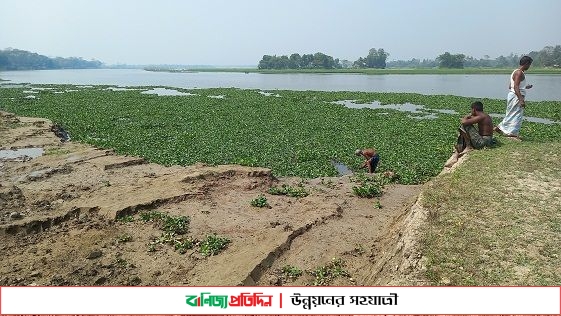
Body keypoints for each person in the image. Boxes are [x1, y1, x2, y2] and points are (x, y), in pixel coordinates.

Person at [494, 56, 533, 140]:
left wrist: (525, 87)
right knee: (517, 115)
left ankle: (499, 128)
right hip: (516, 97)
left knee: (511, 113)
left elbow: (510, 86)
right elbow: (515, 87)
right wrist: (521, 100)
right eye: (529, 64)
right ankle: (512, 133)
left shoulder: (516, 71)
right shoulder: (519, 73)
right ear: (526, 63)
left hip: (514, 95)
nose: (529, 67)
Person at [444, 101, 494, 168]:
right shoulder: (484, 115)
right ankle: (460, 149)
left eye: (471, 110)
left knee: (465, 126)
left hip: (483, 143)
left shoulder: (481, 116)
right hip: (488, 141)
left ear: (474, 109)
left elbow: (464, 122)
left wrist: (466, 116)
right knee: (466, 126)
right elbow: (472, 120)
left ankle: (467, 147)